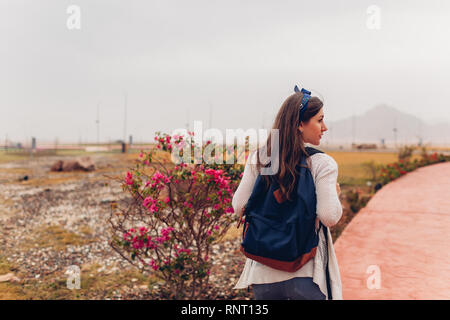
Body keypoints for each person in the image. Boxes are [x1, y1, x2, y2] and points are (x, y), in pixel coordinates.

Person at [232, 86, 343, 300]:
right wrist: (335, 194)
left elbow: (239, 207)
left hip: (263, 273)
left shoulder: (260, 158)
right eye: (319, 120)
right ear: (300, 124)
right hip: (307, 274)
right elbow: (329, 216)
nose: (325, 127)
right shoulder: (322, 164)